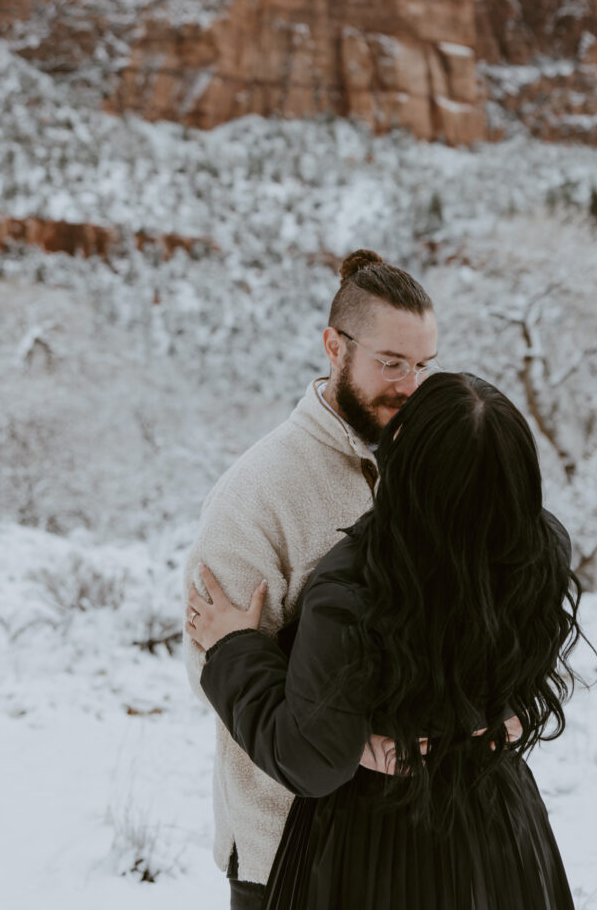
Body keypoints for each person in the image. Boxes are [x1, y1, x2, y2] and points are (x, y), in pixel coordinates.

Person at [186, 372, 593, 909]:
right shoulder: (541, 549)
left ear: (403, 460)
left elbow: (310, 759)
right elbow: (508, 649)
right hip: (497, 830)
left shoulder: (356, 583)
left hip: (374, 846)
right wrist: (504, 712)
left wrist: (234, 648)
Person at [182, 249, 440, 908]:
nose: (409, 386)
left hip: (415, 842)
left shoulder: (432, 468)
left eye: (420, 366)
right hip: (287, 851)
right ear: (333, 346)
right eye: (390, 363)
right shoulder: (257, 491)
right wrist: (346, 742)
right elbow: (214, 662)